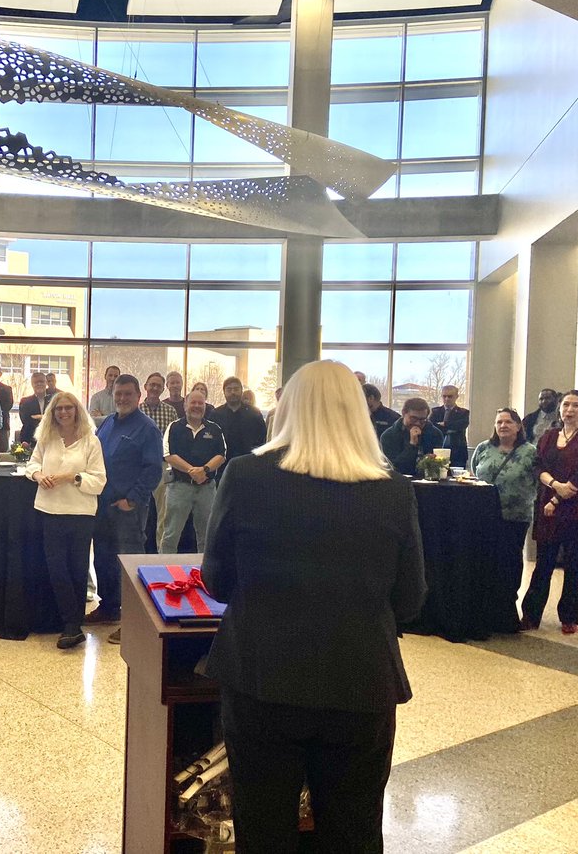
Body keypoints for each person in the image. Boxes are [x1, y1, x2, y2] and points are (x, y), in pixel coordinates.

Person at [200, 360, 426, 852]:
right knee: (354, 831)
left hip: (262, 679)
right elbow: (410, 600)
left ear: (288, 409)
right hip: (361, 682)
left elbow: (216, 582)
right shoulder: (393, 490)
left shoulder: (245, 475)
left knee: (263, 829)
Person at [25, 391, 107, 649]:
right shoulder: (46, 438)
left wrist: (73, 477)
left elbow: (99, 481)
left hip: (80, 513)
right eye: (58, 408)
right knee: (57, 569)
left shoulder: (91, 441)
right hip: (49, 511)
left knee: (77, 569)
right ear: (53, 412)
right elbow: (32, 464)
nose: (63, 412)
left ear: (77, 410)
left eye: (68, 408)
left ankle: (73, 626)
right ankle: (70, 623)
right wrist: (39, 476)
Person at [521, 389, 578, 635]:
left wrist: (561, 494)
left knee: (574, 564)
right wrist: (555, 487)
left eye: (575, 405)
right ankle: (531, 615)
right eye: (566, 405)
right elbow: (538, 465)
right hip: (548, 505)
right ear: (559, 409)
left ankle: (569, 617)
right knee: (543, 563)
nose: (569, 409)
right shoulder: (548, 436)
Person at [86, 374, 163, 629]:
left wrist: (132, 500)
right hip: (103, 504)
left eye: (128, 394)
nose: (122, 398)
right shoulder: (108, 422)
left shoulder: (147, 428)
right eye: (118, 394)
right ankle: (108, 608)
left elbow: (153, 469)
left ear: (138, 396)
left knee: (129, 563)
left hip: (128, 508)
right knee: (104, 559)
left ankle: (134, 623)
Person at [469, 409, 540, 632]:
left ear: (518, 426)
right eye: (499, 421)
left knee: (509, 563)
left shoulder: (531, 452)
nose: (503, 425)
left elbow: (538, 481)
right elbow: (474, 473)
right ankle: (483, 610)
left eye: (508, 422)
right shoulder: (483, 448)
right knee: (486, 561)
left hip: (515, 517)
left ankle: (506, 612)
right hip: (483, 517)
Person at [160, 388, 226, 554]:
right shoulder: (174, 427)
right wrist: (191, 470)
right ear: (185, 404)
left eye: (200, 403)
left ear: (205, 406)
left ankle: (205, 575)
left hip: (207, 489)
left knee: (207, 536)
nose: (197, 406)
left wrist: (204, 470)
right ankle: (163, 574)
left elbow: (222, 454)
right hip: (179, 487)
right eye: (193, 403)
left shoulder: (215, 429)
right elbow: (168, 455)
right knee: (170, 535)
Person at [140, 372, 180, 549]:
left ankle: (160, 554)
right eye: (152, 384)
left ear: (163, 389)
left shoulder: (170, 411)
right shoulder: (137, 409)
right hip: (139, 467)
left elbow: (175, 440)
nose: (155, 388)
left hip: (162, 466)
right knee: (138, 511)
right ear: (145, 387)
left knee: (164, 514)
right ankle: (137, 553)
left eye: (158, 385)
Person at [212, 377, 266, 476]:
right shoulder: (215, 414)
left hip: (249, 466)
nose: (233, 392)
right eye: (229, 389)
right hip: (221, 467)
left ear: (241, 391)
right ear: (224, 392)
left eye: (236, 389)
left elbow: (262, 439)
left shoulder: (254, 413)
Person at [380, 397, 443, 476]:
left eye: (422, 420)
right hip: (400, 482)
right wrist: (412, 445)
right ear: (403, 413)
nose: (417, 423)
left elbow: (440, 465)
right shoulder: (389, 435)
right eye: (413, 419)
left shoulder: (435, 434)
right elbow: (394, 467)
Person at [429, 385, 470, 468]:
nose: (447, 399)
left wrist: (444, 424)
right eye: (444, 396)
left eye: (450, 396)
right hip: (438, 450)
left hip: (458, 452)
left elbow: (461, 425)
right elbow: (431, 426)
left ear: (456, 397)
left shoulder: (463, 412)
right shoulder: (435, 411)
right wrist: (450, 426)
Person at [18, 371, 52, 447]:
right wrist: (46, 417)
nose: (39, 384)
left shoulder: (54, 400)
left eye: (41, 381)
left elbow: (55, 419)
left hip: (51, 439)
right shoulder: (25, 402)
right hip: (30, 439)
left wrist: (38, 417)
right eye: (36, 382)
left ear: (46, 383)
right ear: (32, 384)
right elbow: (26, 420)